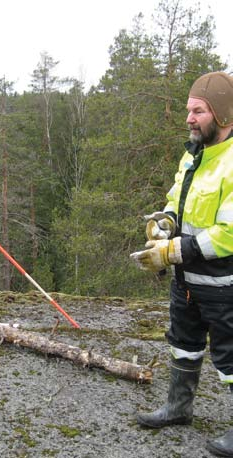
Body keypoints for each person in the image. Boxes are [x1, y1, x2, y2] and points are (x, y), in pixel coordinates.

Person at [130, 71, 233, 457]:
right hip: (186, 281)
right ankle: (178, 408)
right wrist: (164, 222)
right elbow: (177, 199)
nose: (189, 118)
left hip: (224, 285)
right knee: (184, 344)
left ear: (223, 116)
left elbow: (228, 232)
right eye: (189, 110)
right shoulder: (191, 155)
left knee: (230, 357)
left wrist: (173, 251)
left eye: (199, 111)